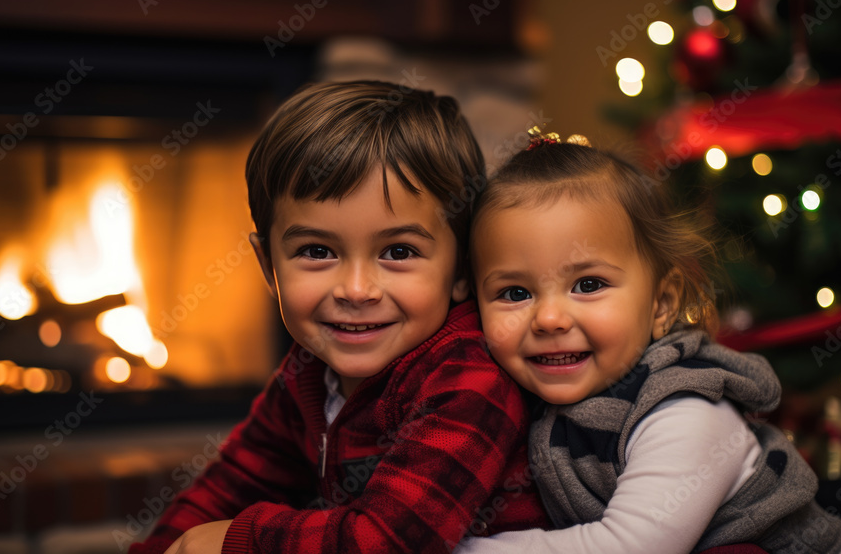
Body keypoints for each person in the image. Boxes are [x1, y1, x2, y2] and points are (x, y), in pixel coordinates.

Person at [129, 81, 549, 554]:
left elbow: (390, 542)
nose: (355, 290)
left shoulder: (469, 378)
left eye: (397, 251)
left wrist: (238, 540)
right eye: (317, 251)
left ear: (461, 270)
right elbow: (232, 481)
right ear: (269, 268)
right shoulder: (306, 370)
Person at [457, 133, 841, 554]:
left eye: (588, 284)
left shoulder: (683, 410)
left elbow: (629, 547)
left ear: (661, 304)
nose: (548, 319)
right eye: (515, 293)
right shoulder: (512, 395)